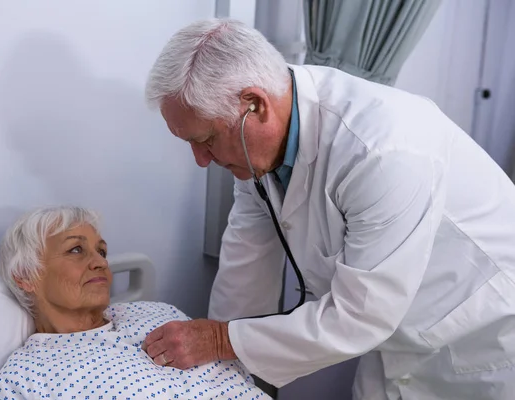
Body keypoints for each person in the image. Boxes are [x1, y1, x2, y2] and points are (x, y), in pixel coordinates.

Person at [142, 18, 515, 400]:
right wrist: (215, 374)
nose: (201, 160)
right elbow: (245, 266)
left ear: (255, 105)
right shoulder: (254, 151)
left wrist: (222, 341)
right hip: (392, 337)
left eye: (205, 140)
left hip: (481, 338)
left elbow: (359, 317)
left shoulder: (384, 150)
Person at [0, 205, 270, 400]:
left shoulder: (159, 312)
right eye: (76, 250)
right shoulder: (24, 379)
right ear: (26, 275)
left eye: (101, 251)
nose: (99, 262)